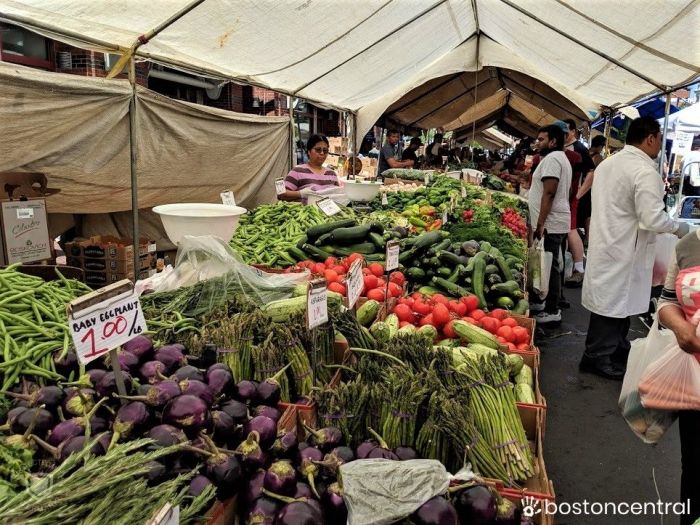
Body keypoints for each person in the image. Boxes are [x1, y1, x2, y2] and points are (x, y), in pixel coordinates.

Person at [580, 117, 690, 380]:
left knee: (615, 302)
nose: (660, 145)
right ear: (650, 138)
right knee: (613, 303)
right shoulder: (644, 170)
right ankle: (597, 356)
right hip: (625, 247)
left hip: (608, 241)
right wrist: (679, 228)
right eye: (660, 139)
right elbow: (652, 218)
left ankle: (616, 348)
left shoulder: (609, 164)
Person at [656, 230, 700, 525]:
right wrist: (681, 329)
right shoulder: (689, 245)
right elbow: (665, 302)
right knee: (695, 468)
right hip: (694, 381)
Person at [528, 124, 572, 324]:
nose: (538, 142)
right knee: (548, 262)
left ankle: (552, 310)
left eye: (541, 139)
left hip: (551, 222)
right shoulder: (559, 158)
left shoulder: (554, 159)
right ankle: (543, 302)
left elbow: (550, 191)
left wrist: (540, 222)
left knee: (551, 264)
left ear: (553, 141)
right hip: (556, 220)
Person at [562, 119, 595, 287]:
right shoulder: (565, 148)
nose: (564, 135)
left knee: (571, 229)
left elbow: (591, 172)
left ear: (573, 131)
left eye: (566, 131)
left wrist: (579, 194)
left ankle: (579, 269)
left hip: (571, 197)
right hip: (565, 196)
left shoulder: (579, 149)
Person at [280, 134, 339, 203]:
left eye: (325, 150)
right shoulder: (297, 171)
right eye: (318, 150)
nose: (322, 153)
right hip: (307, 213)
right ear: (309, 151)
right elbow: (281, 194)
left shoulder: (332, 174)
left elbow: (337, 195)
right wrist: (300, 194)